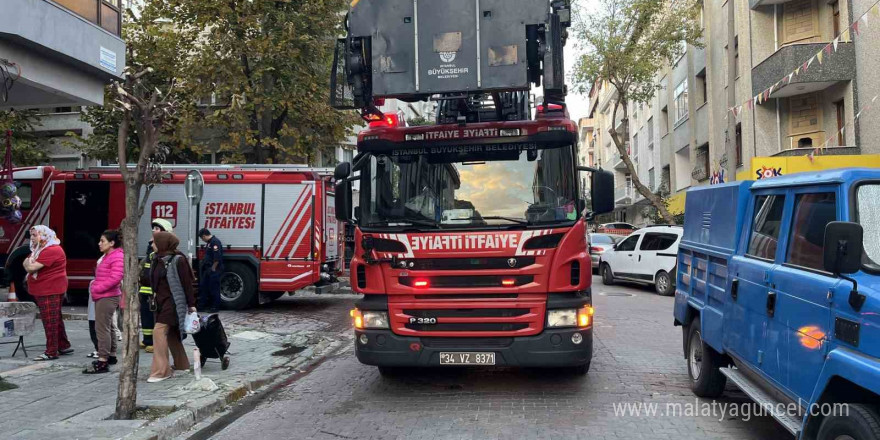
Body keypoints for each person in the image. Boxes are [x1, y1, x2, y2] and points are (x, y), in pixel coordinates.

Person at [145, 232, 196, 383]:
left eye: (154, 242)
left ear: (163, 243)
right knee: (172, 333)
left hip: (174, 302)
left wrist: (191, 304)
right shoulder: (156, 258)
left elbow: (187, 284)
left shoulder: (178, 260)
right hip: (160, 302)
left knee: (159, 331)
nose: (151, 244)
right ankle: (182, 365)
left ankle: (162, 371)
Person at [23, 225, 73, 361]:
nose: (32, 238)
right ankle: (63, 345)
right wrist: (28, 264)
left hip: (50, 290)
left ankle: (51, 351)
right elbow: (26, 262)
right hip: (45, 289)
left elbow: (30, 267)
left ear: (44, 235)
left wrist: (28, 265)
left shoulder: (52, 250)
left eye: (35, 235)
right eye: (31, 235)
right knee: (55, 318)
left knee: (49, 321)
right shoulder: (40, 249)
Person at [84, 230, 124, 374]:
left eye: (103, 241)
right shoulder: (109, 255)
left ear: (112, 243)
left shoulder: (117, 256)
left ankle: (102, 360)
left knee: (101, 328)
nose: (99, 244)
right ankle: (111, 355)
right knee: (108, 326)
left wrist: (97, 289)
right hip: (104, 295)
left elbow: (115, 278)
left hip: (107, 296)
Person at [139, 218, 174, 353]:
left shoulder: (164, 249)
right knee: (145, 315)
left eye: (157, 228)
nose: (153, 230)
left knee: (154, 316)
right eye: (153, 228)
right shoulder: (151, 246)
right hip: (145, 288)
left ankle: (153, 341)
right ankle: (147, 338)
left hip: (155, 291)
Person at [198, 228, 223, 313]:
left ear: (204, 236)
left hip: (213, 269)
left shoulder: (215, 242)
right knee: (204, 287)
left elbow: (217, 257)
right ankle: (202, 306)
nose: (202, 240)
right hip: (208, 269)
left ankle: (215, 307)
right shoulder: (210, 243)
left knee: (214, 289)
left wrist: (213, 268)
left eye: (202, 238)